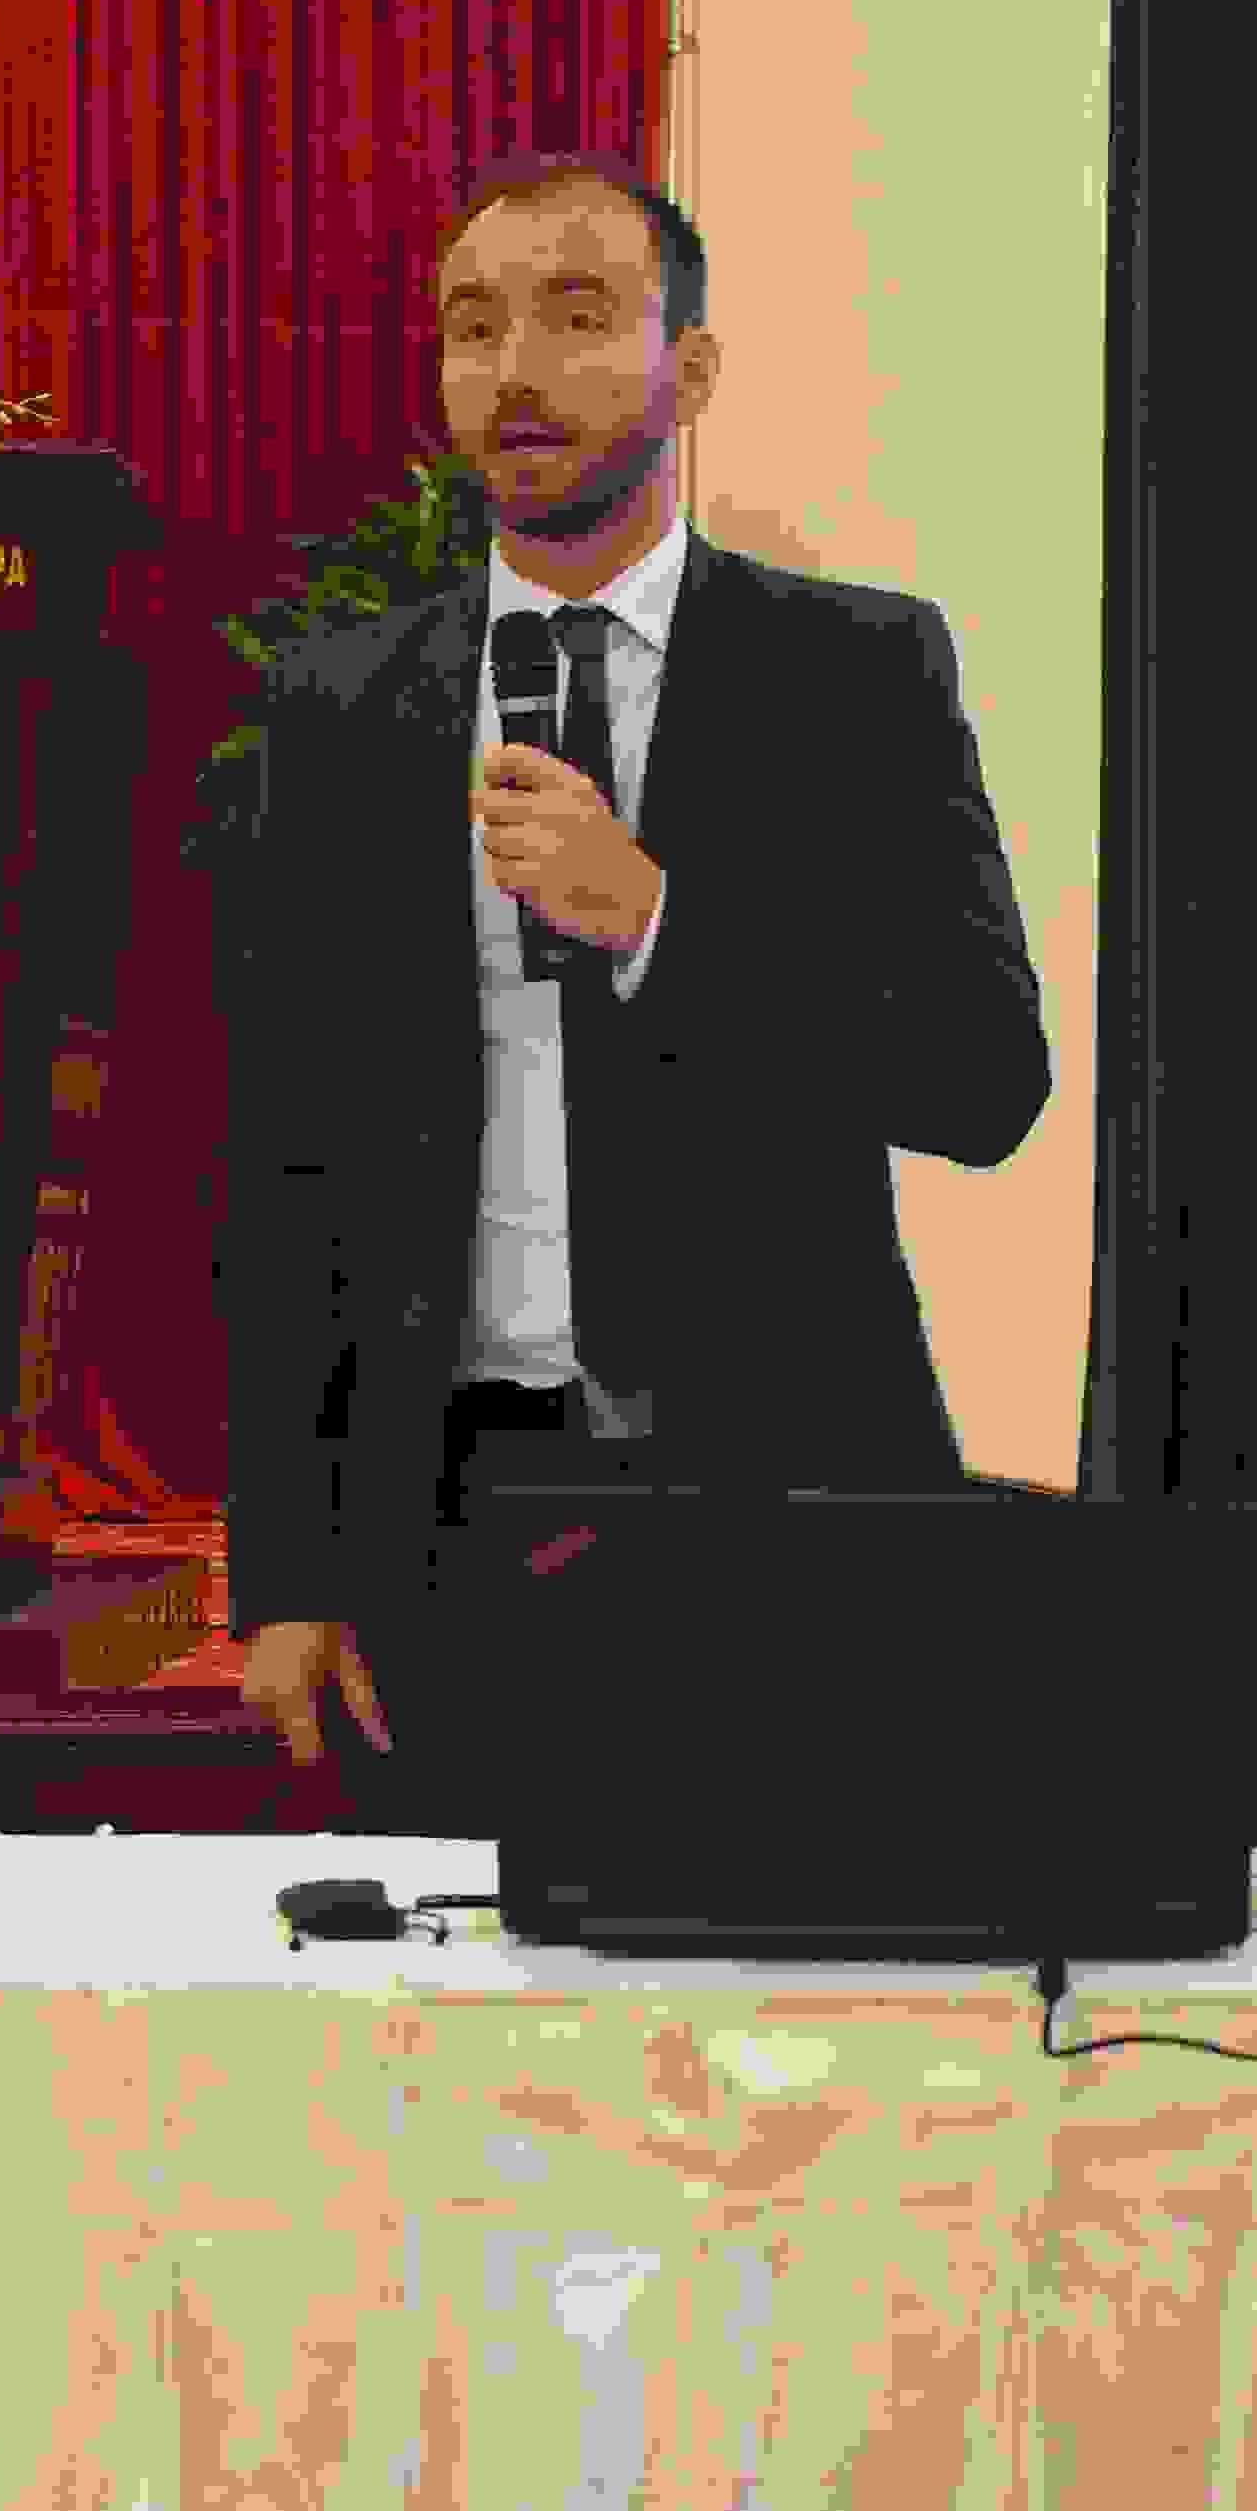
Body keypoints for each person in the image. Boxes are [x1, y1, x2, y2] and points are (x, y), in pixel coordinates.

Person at [218, 149, 1052, 1815]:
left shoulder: (854, 673)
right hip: (444, 1514)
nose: (515, 367)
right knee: (452, 1974)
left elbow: (981, 1079)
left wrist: (660, 917)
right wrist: (292, 1570)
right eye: (472, 326)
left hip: (786, 1492)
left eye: (578, 314)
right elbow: (288, 1162)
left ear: (695, 367)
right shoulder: (347, 697)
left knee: (800, 1964)